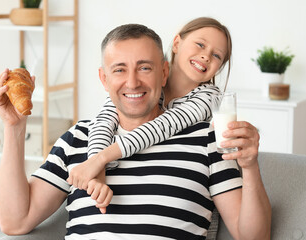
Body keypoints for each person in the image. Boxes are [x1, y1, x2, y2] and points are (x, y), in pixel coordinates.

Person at [0, 23, 271, 239]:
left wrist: (250, 167)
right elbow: (15, 222)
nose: (132, 82)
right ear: (104, 79)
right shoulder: (77, 138)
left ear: (164, 73)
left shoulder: (207, 141)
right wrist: (14, 129)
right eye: (119, 70)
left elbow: (254, 236)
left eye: (145, 68)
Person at [68, 17, 231, 190]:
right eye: (200, 44)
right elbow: (104, 120)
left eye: (216, 55)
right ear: (176, 43)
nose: (206, 56)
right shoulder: (144, 83)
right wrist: (95, 169)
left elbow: (162, 126)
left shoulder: (209, 98)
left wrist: (101, 159)